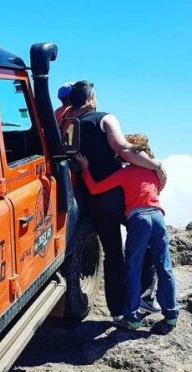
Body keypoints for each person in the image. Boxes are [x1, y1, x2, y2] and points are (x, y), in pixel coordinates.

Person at [66, 80, 167, 320]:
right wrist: (157, 166)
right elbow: (122, 147)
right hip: (118, 195)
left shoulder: (67, 126)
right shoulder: (105, 118)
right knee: (149, 242)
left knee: (112, 254)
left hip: (93, 199)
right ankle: (144, 297)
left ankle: (117, 312)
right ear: (91, 98)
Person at [75, 134, 179, 334]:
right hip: (158, 217)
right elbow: (160, 187)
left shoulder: (125, 173)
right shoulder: (154, 173)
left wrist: (86, 169)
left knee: (133, 267)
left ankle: (132, 317)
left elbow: (95, 189)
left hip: (139, 219)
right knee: (164, 267)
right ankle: (171, 315)